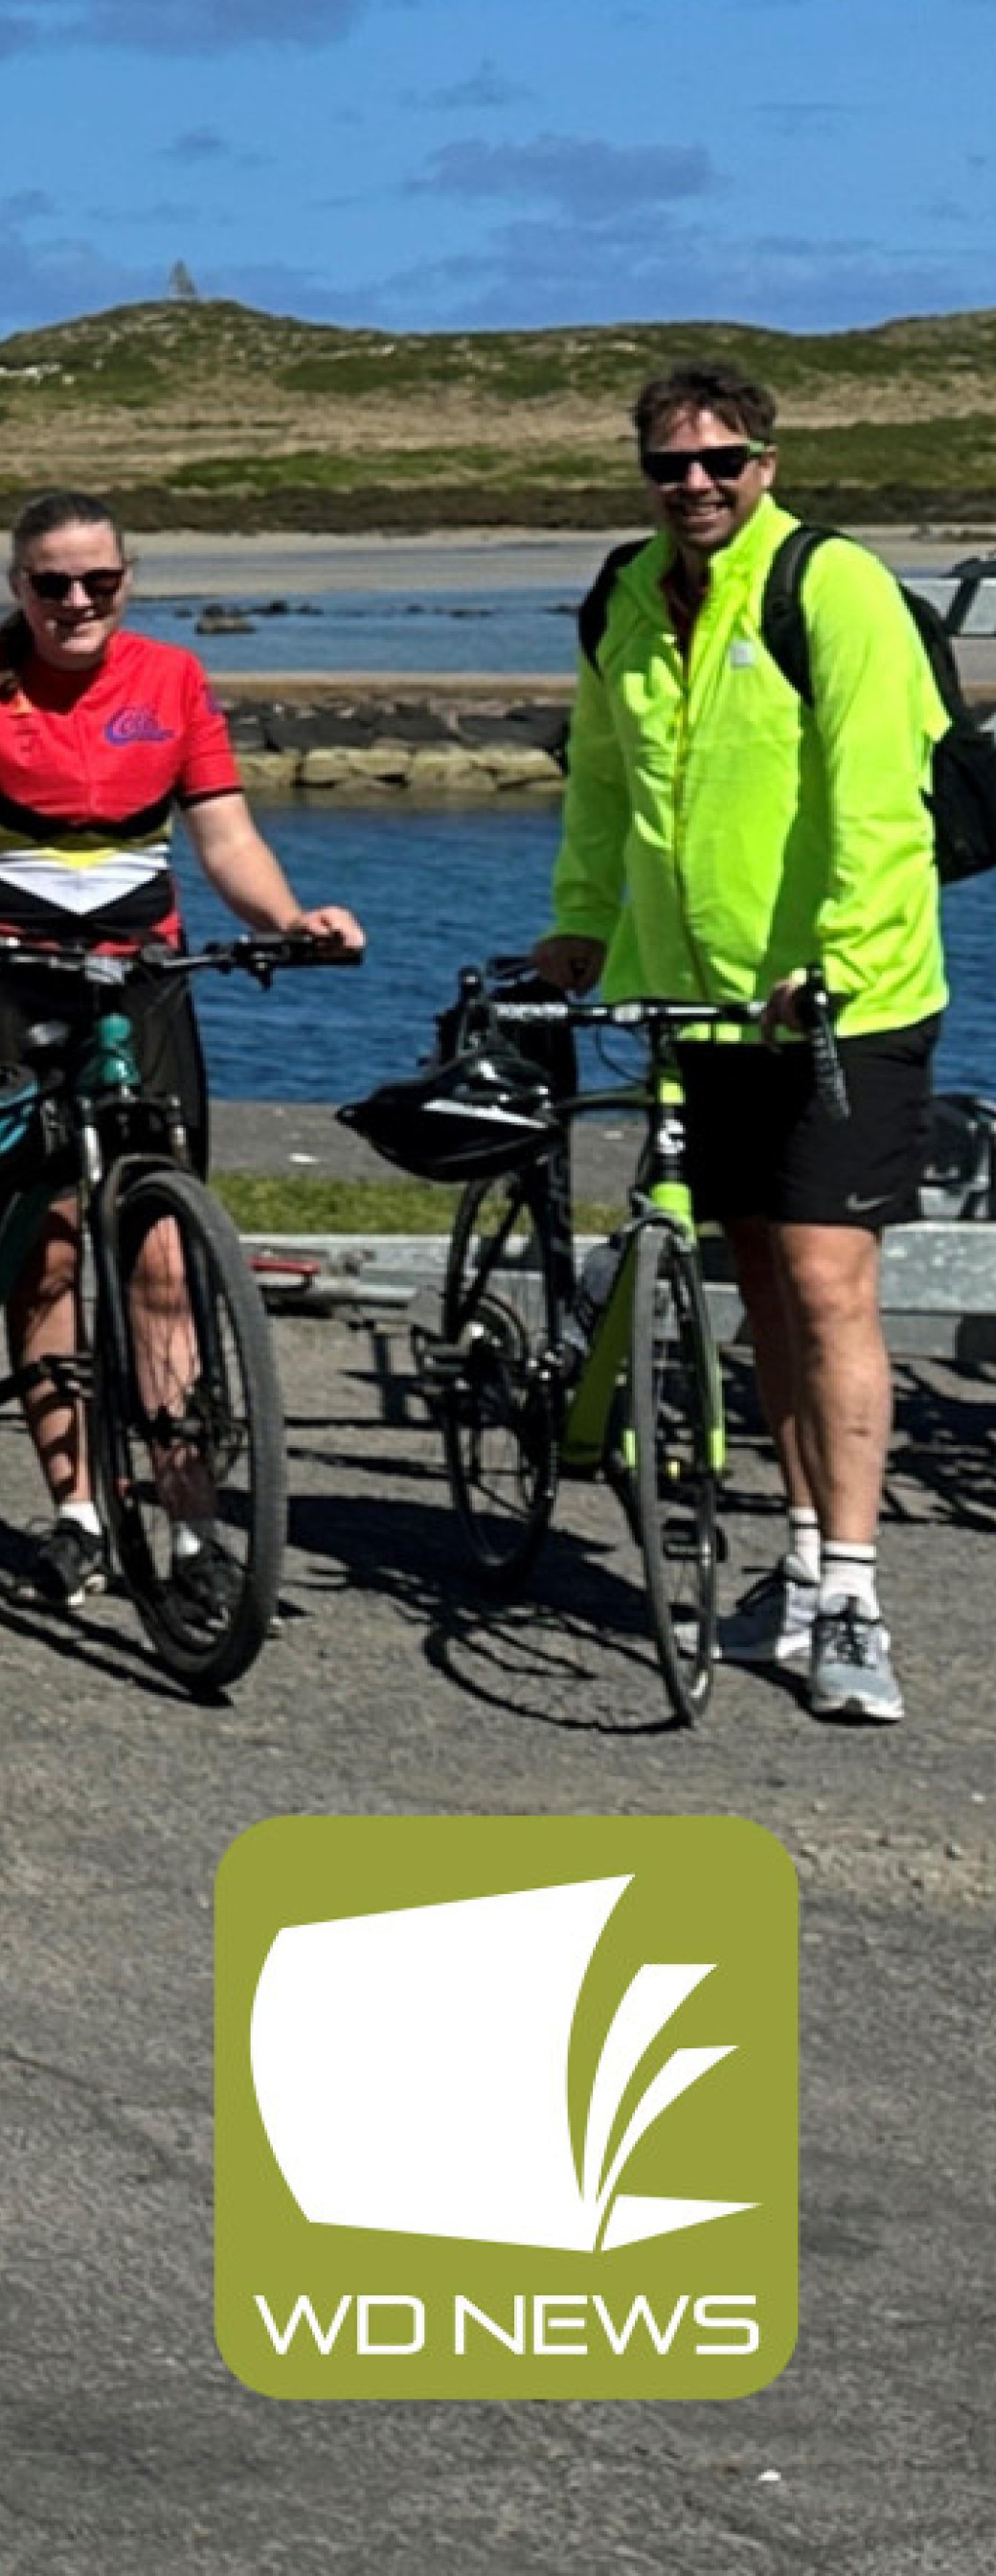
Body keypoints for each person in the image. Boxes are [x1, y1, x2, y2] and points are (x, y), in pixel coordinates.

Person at [536, 356, 947, 1726]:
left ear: (769, 464)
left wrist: (831, 959)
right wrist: (583, 926)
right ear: (643, 474)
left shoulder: (830, 587)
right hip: (694, 996)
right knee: (761, 1280)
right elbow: (602, 778)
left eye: (725, 461)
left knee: (833, 1287)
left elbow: (882, 801)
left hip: (849, 998)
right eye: (672, 465)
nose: (698, 485)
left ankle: (854, 1599)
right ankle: (797, 1551)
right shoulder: (626, 598)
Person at [0, 489, 357, 1613]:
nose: (76, 601)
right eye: (51, 583)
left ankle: (188, 1526)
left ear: (129, 579)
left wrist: (287, 922)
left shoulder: (171, 681)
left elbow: (224, 831)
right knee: (46, 1242)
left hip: (140, 974)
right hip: (4, 970)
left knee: (162, 1251)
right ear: (17, 587)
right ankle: (79, 1507)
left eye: (100, 581)